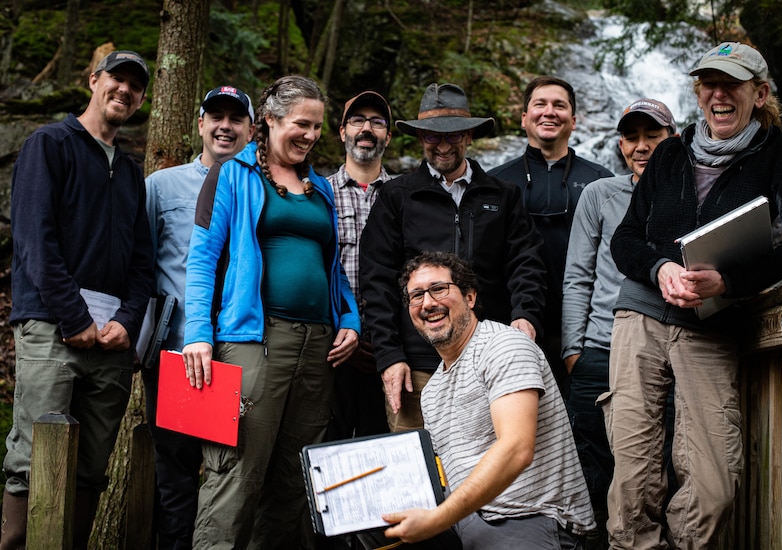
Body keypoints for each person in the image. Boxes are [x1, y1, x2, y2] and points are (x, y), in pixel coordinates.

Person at [606, 42, 782, 549]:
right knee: (632, 474)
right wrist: (660, 268)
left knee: (714, 482)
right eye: (709, 83)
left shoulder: (779, 152)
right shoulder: (669, 152)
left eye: (731, 84)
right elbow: (626, 239)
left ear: (760, 93)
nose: (718, 94)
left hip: (713, 323)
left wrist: (731, 281)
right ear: (698, 92)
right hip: (640, 314)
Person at [181, 75, 360, 549]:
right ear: (271, 120)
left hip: (318, 346)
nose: (310, 135)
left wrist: (350, 319)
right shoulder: (234, 174)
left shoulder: (319, 187)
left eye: (318, 127)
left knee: (294, 479)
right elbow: (201, 258)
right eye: (302, 124)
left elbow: (333, 268)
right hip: (252, 341)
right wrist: (197, 332)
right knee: (236, 471)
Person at [2, 50, 153, 549]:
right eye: (117, 78)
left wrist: (128, 323)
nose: (125, 90)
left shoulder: (131, 172)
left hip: (110, 343)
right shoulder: (49, 144)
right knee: (34, 460)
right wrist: (73, 315)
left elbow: (141, 264)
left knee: (90, 469)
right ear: (94, 80)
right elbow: (33, 240)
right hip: (51, 328)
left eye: (135, 85)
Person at [364, 251, 594, 549]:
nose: (428, 303)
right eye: (416, 295)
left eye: (438, 289)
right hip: (466, 522)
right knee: (375, 527)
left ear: (470, 297)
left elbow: (516, 449)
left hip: (529, 518)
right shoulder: (432, 391)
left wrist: (436, 519)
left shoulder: (504, 345)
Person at [359, 83, 546, 433]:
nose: (443, 145)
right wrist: (389, 356)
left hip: (490, 359)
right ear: (419, 138)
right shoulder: (396, 197)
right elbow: (377, 279)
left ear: (470, 134)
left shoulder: (503, 196)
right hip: (416, 366)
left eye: (453, 134)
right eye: (432, 136)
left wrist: (525, 315)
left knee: (489, 469)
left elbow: (526, 261)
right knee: (418, 472)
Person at [561, 98, 677, 549]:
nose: (642, 147)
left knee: (657, 466)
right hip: (599, 351)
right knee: (594, 468)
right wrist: (574, 352)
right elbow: (578, 276)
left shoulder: (688, 198)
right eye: (632, 138)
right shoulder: (599, 195)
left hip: (662, 352)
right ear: (621, 144)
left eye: (653, 136)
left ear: (674, 140)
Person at [142, 85, 255, 549]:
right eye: (216, 116)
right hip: (175, 352)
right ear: (201, 123)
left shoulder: (261, 188)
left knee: (233, 471)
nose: (225, 126)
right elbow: (141, 268)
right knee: (175, 473)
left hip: (239, 352)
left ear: (252, 129)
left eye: (235, 118)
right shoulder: (162, 186)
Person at [489, 76, 613, 391]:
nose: (549, 112)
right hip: (512, 328)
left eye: (559, 105)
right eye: (539, 104)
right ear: (523, 118)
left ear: (574, 120)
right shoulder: (494, 183)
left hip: (586, 330)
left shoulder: (601, 181)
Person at [326, 91, 393, 442]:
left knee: (384, 445)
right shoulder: (318, 193)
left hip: (390, 348)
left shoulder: (404, 196)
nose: (366, 129)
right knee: (328, 443)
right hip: (332, 348)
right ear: (342, 132)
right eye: (358, 121)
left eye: (377, 123)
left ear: (388, 136)